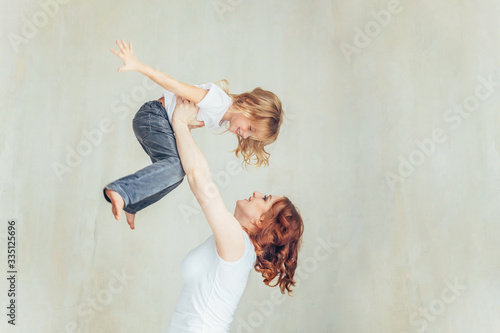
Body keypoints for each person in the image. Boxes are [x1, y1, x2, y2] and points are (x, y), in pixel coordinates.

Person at [103, 40, 284, 229]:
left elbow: (182, 119)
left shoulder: (221, 116)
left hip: (160, 123)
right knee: (176, 167)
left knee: (176, 175)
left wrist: (183, 126)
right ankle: (120, 190)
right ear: (247, 104)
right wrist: (138, 64)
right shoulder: (217, 101)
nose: (245, 136)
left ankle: (133, 204)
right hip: (153, 117)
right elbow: (173, 85)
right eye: (250, 128)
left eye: (251, 136)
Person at [164, 96, 304, 332]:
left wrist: (179, 123)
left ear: (262, 221)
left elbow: (201, 182)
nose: (257, 193)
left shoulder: (238, 245)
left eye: (265, 198)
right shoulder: (238, 247)